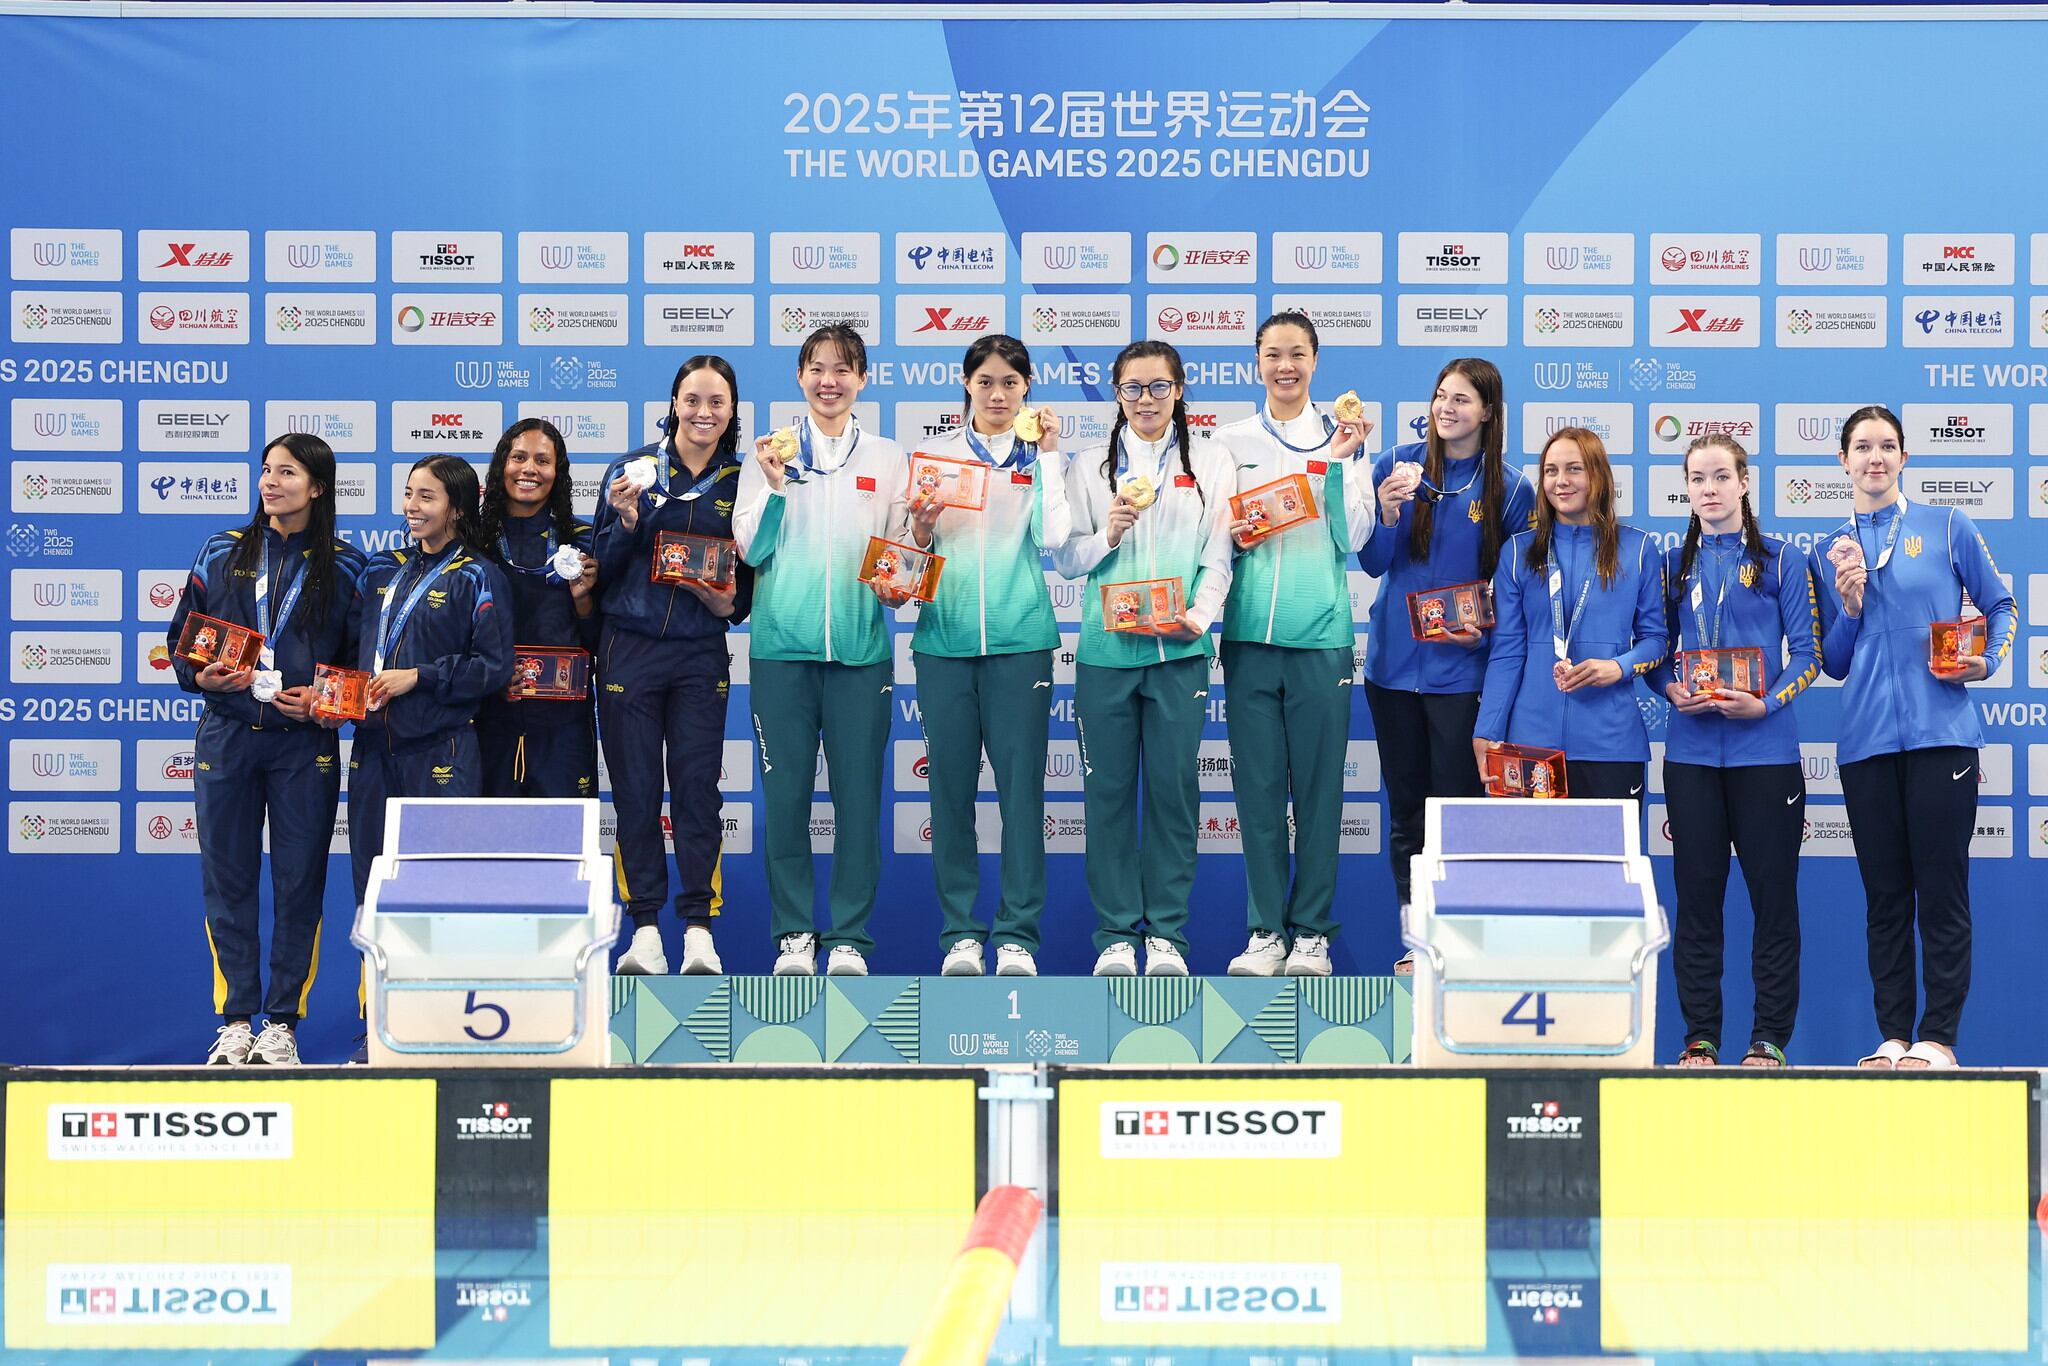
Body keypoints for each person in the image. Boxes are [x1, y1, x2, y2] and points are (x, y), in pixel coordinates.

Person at [1812, 405, 2016, 1070]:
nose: (1874, 458)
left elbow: (2001, 605)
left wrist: (1986, 661)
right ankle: (1893, 1037)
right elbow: (1834, 662)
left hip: (1942, 737)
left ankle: (1938, 1038)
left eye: (1886, 446)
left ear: (1904, 458)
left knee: (1942, 891)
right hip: (1865, 745)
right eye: (1862, 447)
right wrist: (1848, 607)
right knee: (1885, 900)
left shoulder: (1947, 524)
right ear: (1842, 460)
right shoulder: (1829, 550)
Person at [170, 433, 365, 1066]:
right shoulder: (221, 551)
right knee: (227, 881)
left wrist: (324, 703)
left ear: (318, 487)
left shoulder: (348, 566)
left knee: (299, 883)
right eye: (265, 471)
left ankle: (281, 1024)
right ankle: (235, 1022)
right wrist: (201, 676)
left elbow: (361, 665)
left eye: (286, 473)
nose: (270, 483)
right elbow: (181, 642)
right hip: (227, 737)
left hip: (303, 746)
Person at [1051, 340, 1234, 977]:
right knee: (1106, 797)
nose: (1146, 399)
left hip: (1180, 651)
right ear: (1117, 393)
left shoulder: (1210, 460)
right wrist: (1108, 535)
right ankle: (1114, 937)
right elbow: (1066, 558)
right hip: (1106, 655)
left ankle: (1167, 938)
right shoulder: (1088, 467)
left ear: (1178, 391)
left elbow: (1219, 553)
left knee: (1174, 796)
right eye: (1133, 388)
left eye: (1159, 387)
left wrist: (1200, 618)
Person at [734, 325, 909, 977]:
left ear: (863, 378)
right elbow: (751, 550)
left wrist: (910, 552)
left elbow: (899, 563)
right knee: (786, 803)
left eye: (842, 369)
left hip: (862, 657)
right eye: (816, 368)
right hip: (782, 654)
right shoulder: (769, 452)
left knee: (858, 804)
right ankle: (794, 937)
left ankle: (850, 939)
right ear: (799, 376)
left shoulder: (888, 457)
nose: (828, 381)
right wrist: (775, 487)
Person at [1357, 358, 1535, 972]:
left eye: (1461, 399)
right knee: (1407, 816)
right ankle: (1419, 946)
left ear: (1487, 411)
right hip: (1391, 672)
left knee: (1458, 813)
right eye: (1440, 396)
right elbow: (1374, 563)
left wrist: (1482, 633)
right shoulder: (1396, 465)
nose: (1446, 408)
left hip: (1464, 676)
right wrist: (1385, 512)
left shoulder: (1512, 488)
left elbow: (1521, 591)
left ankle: (1459, 945)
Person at [1216, 312, 1375, 978]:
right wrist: (1233, 533)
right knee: (1256, 793)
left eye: (1298, 354)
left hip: (1321, 640)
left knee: (1317, 794)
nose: (1286, 366)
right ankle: (1264, 932)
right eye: (1274, 354)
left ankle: (1311, 934)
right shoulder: (1228, 441)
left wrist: (1335, 466)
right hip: (1249, 638)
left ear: (1315, 361)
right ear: (1256, 362)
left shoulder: (1346, 437)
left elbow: (1355, 537)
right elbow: (1211, 538)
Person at [909, 335, 1072, 978]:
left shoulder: (1041, 458)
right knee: (949, 794)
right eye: (986, 382)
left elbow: (1055, 537)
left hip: (1020, 643)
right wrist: (921, 527)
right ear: (966, 385)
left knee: (1021, 796)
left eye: (1010, 382)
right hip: (943, 644)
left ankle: (1017, 937)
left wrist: (1050, 455)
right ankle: (960, 934)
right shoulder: (935, 457)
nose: (998, 394)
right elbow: (910, 555)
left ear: (1027, 386)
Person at [1659, 435, 1818, 1068]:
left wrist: (1767, 705)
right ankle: (1700, 1037)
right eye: (1698, 478)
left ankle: (1768, 1038)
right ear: (1687, 488)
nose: (1710, 489)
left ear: (1744, 482)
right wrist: (1667, 687)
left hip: (1767, 756)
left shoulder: (1783, 559)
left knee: (1773, 903)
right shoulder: (1670, 564)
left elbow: (1807, 656)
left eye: (1721, 476)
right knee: (1697, 904)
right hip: (1692, 758)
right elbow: (1652, 649)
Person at [593, 357, 753, 976]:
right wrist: (627, 522)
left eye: (717, 402)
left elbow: (748, 584)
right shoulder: (632, 471)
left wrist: (724, 602)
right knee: (635, 793)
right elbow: (598, 569)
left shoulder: (746, 479)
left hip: (698, 653)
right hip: (628, 649)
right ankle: (644, 932)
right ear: (673, 404)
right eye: (692, 400)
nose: (703, 413)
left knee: (696, 792)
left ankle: (698, 931)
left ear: (732, 411)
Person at [346, 456, 515, 912]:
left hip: (441, 751)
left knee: (442, 892)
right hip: (371, 751)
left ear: (456, 508)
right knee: (373, 894)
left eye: (426, 497)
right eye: (408, 494)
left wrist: (421, 676)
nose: (412, 506)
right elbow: (349, 648)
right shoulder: (380, 568)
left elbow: (493, 666)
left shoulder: (478, 575)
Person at [1474, 427, 1666, 799]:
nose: (1561, 481)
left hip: (1611, 744)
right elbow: (1507, 652)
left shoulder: (1638, 548)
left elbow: (1656, 640)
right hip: (1530, 744)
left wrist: (1619, 667)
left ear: (1598, 475)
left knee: (1609, 843)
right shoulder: (1517, 552)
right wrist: (1487, 729)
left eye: (1574, 469)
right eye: (1551, 471)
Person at [475, 418, 599, 801]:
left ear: (557, 473)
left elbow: (604, 641)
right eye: (519, 457)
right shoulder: (471, 540)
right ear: (502, 465)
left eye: (542, 461)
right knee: (490, 834)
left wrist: (583, 599)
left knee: (563, 833)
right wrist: (489, 677)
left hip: (563, 722)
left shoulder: (583, 543)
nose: (529, 469)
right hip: (488, 715)